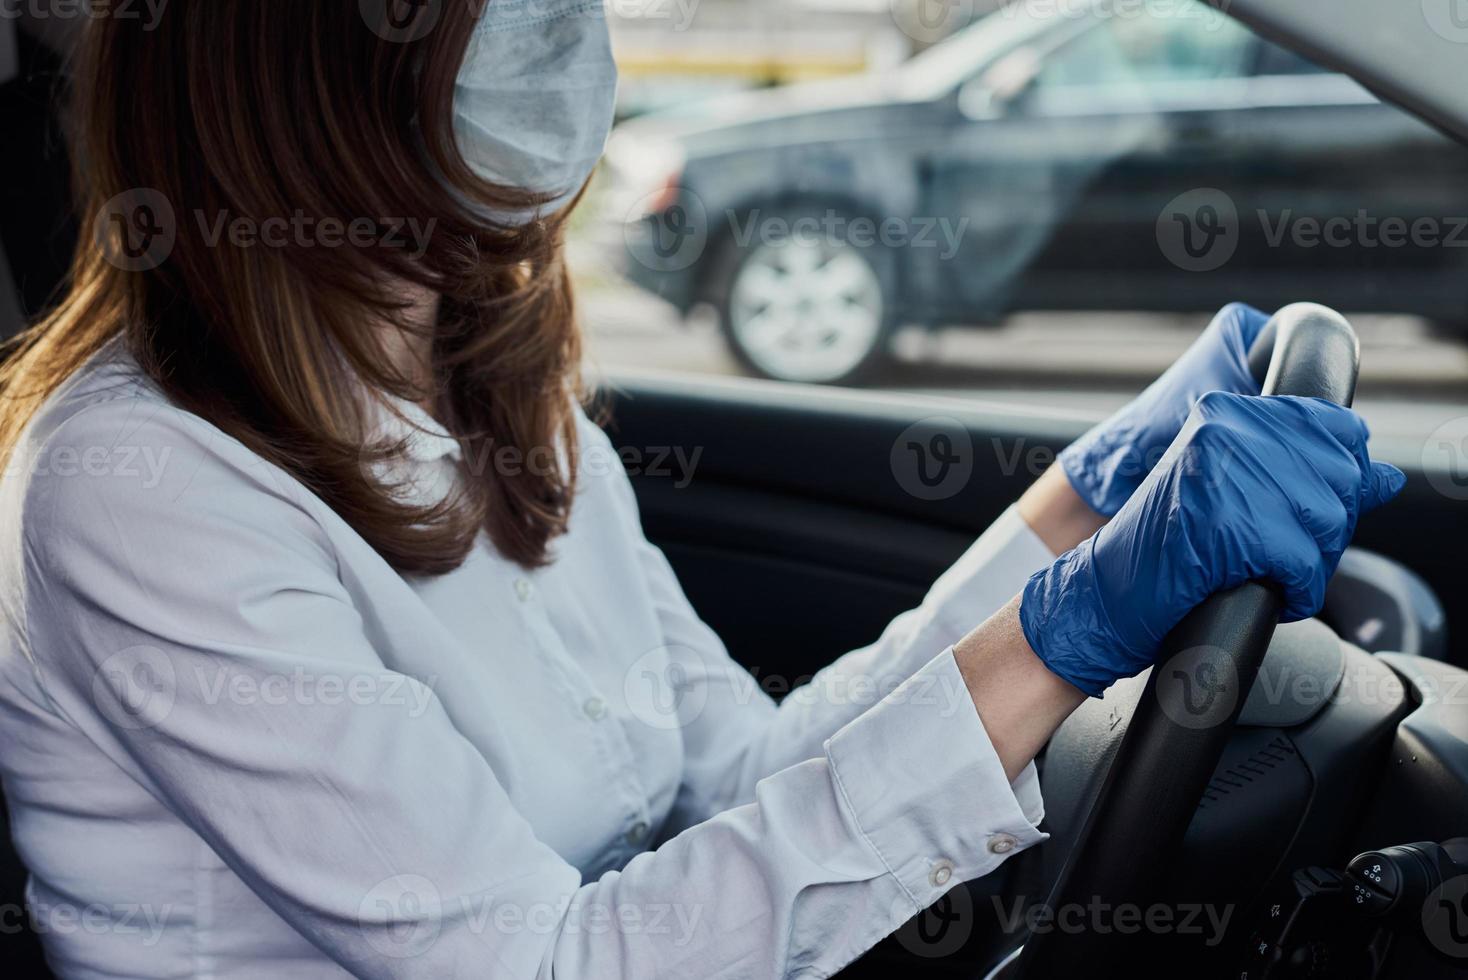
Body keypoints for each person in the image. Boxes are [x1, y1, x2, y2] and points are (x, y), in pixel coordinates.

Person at [0, 3, 1402, 978]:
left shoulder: (485, 379)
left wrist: (1076, 516)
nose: (565, 29)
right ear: (293, 52)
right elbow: (548, 964)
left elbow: (744, 778)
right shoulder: (143, 490)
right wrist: (1067, 634)